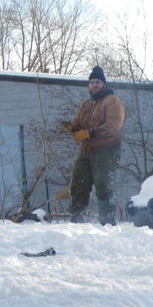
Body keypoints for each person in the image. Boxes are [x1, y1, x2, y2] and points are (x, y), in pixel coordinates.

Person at [63, 66, 126, 225]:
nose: (94, 85)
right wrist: (73, 128)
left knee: (103, 185)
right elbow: (78, 123)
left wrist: (89, 133)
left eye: (97, 82)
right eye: (91, 82)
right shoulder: (86, 105)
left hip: (107, 149)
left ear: (104, 84)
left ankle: (107, 222)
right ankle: (77, 219)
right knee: (78, 183)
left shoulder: (112, 101)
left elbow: (113, 126)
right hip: (87, 149)